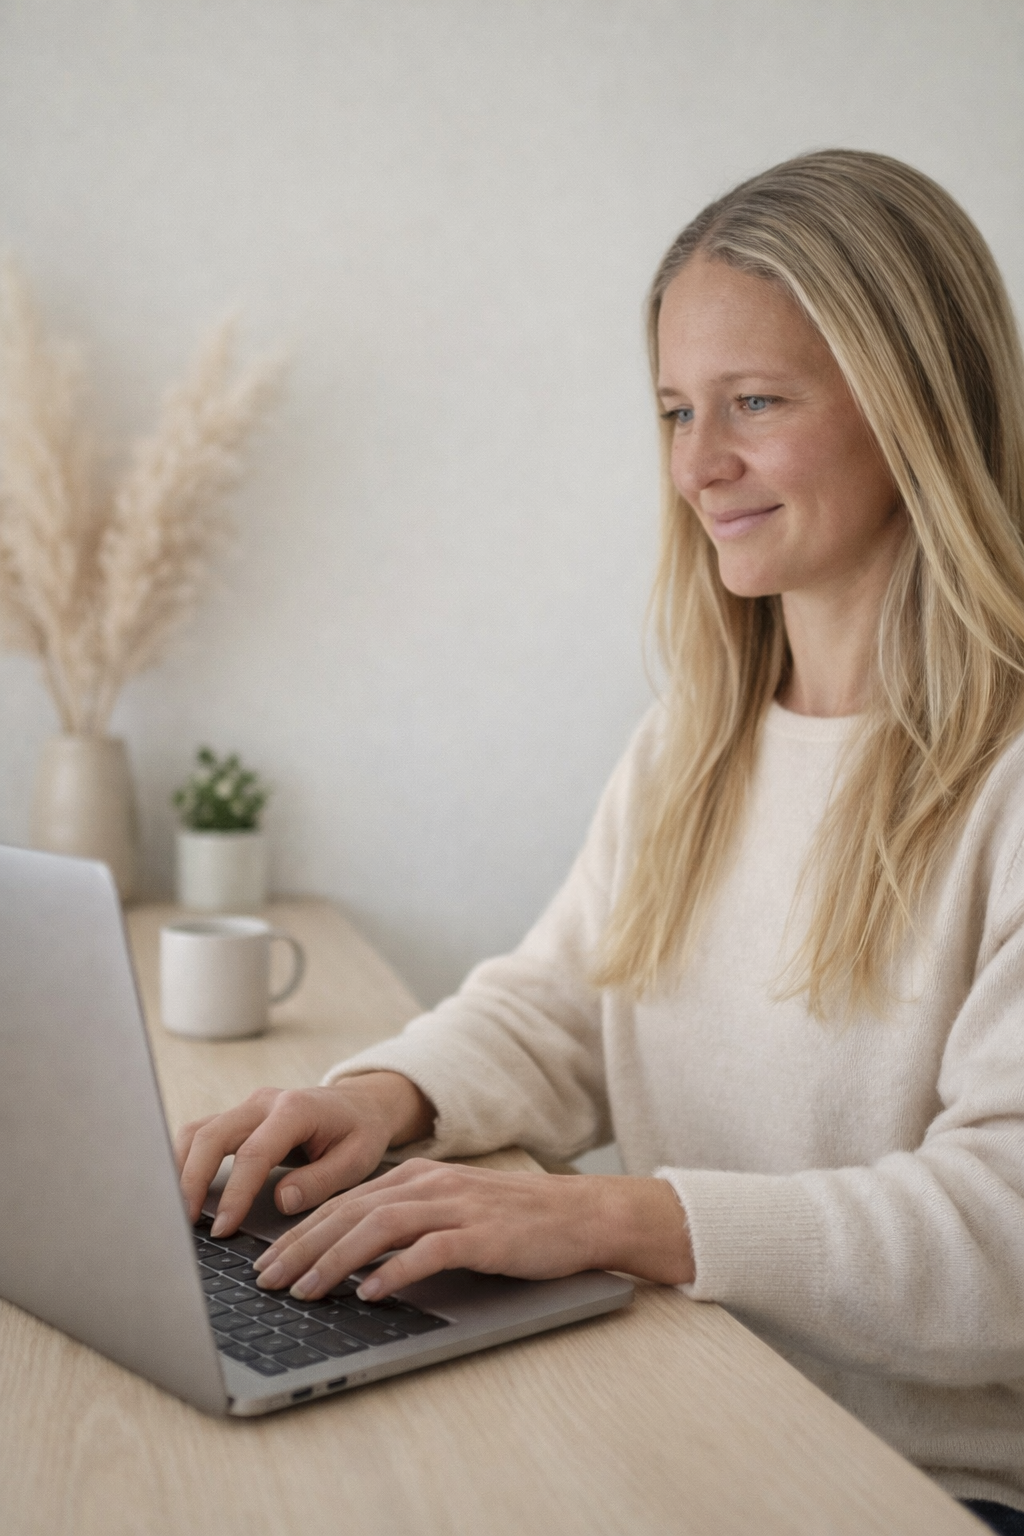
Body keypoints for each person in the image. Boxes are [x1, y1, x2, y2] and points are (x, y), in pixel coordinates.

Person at [177, 151, 1024, 1530]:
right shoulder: (699, 741)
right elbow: (565, 1002)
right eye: (678, 410)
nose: (699, 465)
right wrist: (384, 1096)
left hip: (918, 1486)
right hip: (690, 1401)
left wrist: (617, 1220)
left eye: (757, 403)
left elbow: (1005, 1237)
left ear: (918, 402)